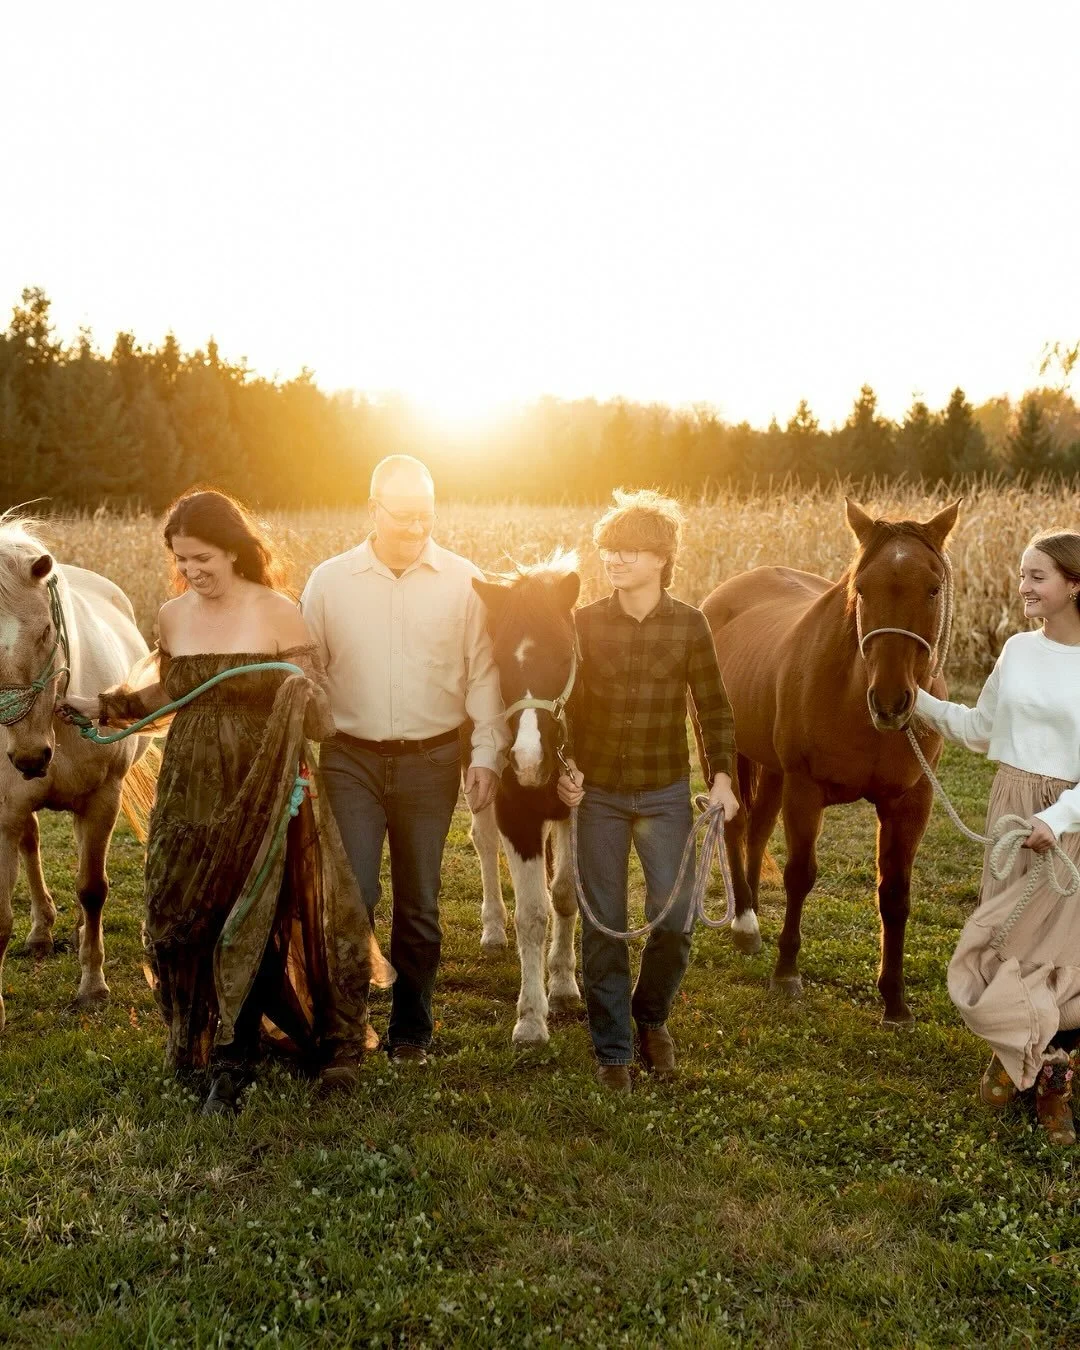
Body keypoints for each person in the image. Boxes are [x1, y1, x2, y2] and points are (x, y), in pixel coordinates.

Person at [61, 489, 379, 1113]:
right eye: (182, 560)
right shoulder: (172, 617)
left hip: (264, 784)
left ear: (234, 551)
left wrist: (300, 691)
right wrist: (100, 705)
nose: (192, 571)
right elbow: (167, 695)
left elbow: (318, 714)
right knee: (180, 911)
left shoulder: (280, 613)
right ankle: (205, 1037)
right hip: (191, 785)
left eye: (202, 557)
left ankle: (236, 1057)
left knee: (254, 912)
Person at [300, 455, 507, 1068]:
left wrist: (486, 754)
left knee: (419, 903)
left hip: (431, 761)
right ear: (372, 509)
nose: (417, 528)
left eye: (426, 515)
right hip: (350, 760)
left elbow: (483, 676)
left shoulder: (463, 581)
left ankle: (412, 1030)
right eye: (403, 515)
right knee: (353, 897)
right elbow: (307, 671)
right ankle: (346, 1031)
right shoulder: (329, 582)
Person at [556, 489, 738, 1093]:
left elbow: (712, 708)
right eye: (609, 549)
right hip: (600, 793)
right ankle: (612, 1049)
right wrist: (569, 764)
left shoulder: (690, 624)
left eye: (629, 551)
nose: (614, 560)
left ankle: (650, 1016)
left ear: (661, 558)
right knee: (603, 923)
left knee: (678, 919)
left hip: (664, 792)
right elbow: (568, 709)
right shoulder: (582, 623)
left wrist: (722, 779)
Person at [915, 530, 1080, 1146]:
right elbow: (983, 730)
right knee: (1007, 942)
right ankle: (1016, 1052)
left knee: (1061, 957)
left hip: (1069, 818)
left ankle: (1053, 1087)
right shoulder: (1016, 650)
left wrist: (1057, 820)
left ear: (1073, 585)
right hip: (1011, 808)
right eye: (1021, 574)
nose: (1023, 587)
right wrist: (920, 703)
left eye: (1037, 576)